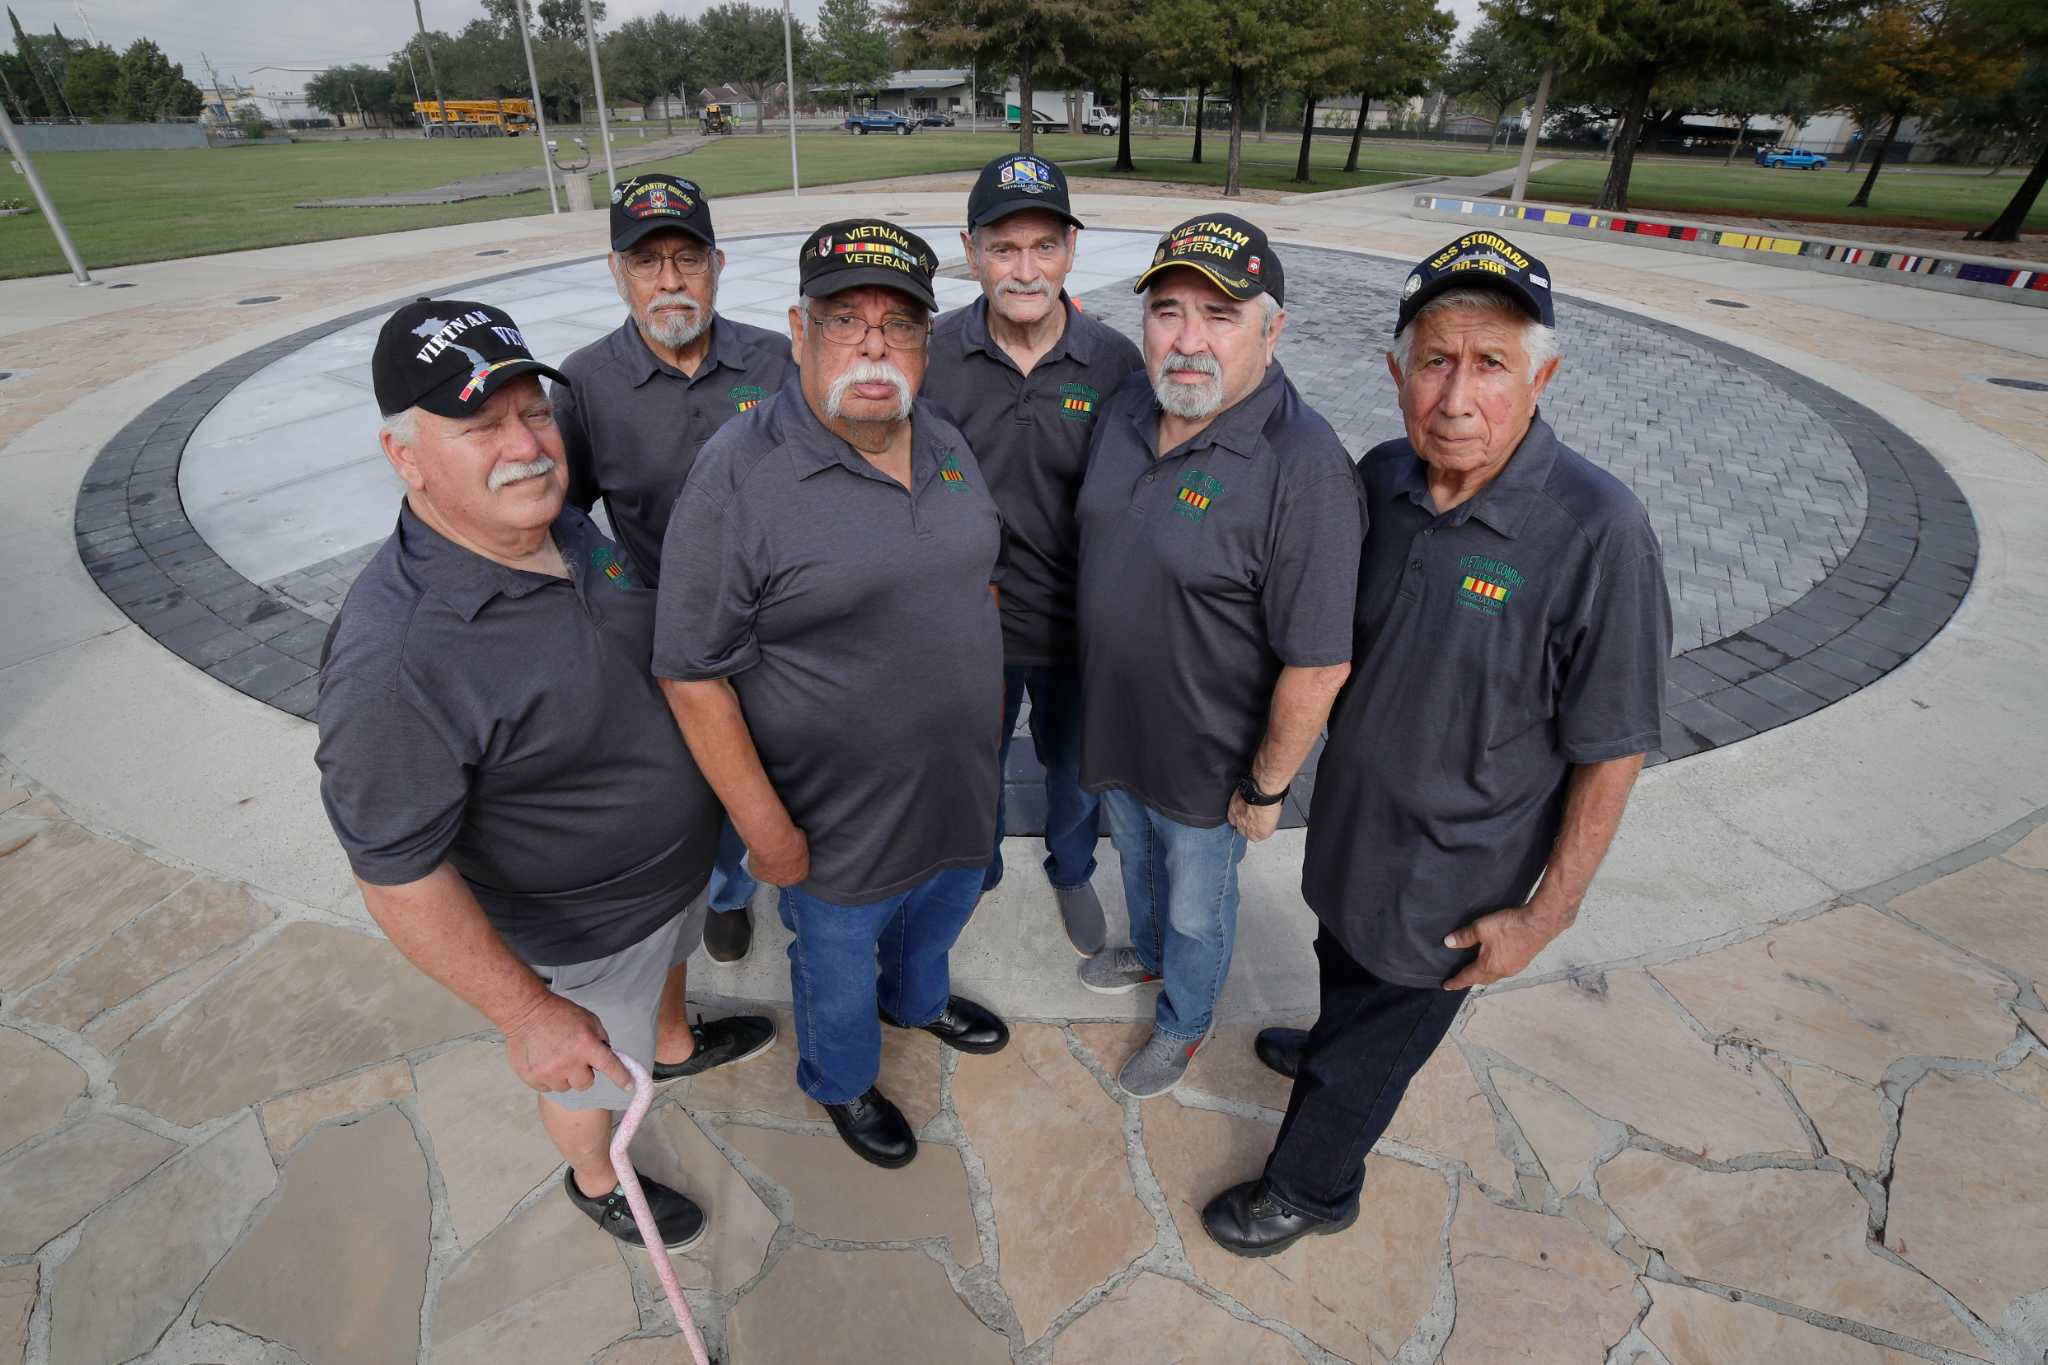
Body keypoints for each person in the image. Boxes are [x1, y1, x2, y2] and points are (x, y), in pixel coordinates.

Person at [1203, 232, 1671, 1256]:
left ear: (1540, 376)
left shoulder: (1597, 530)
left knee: (1371, 1049)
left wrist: (1546, 912)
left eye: (1491, 363)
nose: (1456, 397)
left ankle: (1312, 1186)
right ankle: (1333, 1046)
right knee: (1342, 969)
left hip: (1454, 881)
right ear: (1396, 373)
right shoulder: (1381, 480)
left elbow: (1612, 747)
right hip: (1355, 837)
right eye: (1434, 360)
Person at [316, 298, 775, 1253]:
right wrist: (527, 1012)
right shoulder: (395, 662)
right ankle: (597, 1173)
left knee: (669, 974)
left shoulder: (561, 527)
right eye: (480, 427)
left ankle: (678, 1045)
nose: (525, 445)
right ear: (404, 457)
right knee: (591, 1075)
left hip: (668, 877)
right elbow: (394, 869)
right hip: (580, 933)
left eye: (532, 413)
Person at [655, 221, 1012, 1169]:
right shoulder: (739, 474)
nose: (872, 346)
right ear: (796, 331)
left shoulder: (939, 433)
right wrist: (764, 828)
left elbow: (978, 566)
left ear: (927, 344)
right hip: (834, 817)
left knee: (941, 916)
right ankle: (843, 1078)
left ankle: (921, 1003)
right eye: (844, 320)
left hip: (959, 786)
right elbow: (691, 674)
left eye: (898, 326)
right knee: (838, 963)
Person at [1074, 215, 1363, 1099]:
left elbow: (1318, 662)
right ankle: (1151, 954)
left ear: (1271, 331)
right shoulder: (1131, 403)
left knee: (1200, 906)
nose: (1188, 340)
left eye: (1221, 315)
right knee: (1134, 863)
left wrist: (1269, 787)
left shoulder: (1303, 468)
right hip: (1117, 731)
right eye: (1167, 311)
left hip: (1211, 769)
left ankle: (1187, 1018)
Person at [551, 173, 796, 965]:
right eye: (646, 262)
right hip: (673, 640)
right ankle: (729, 892)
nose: (669, 281)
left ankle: (806, 886)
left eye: (686, 259)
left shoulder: (779, 360)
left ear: (717, 264)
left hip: (783, 626)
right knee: (703, 790)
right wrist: (618, 603)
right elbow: (565, 512)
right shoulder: (586, 381)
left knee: (797, 768)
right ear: (617, 272)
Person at [922, 154, 1144, 957]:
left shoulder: (1117, 362)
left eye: (1043, 246)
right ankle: (972, 868)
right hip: (966, 629)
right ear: (971, 250)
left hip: (1079, 628)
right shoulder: (932, 354)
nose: (1024, 269)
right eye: (1003, 247)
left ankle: (1073, 864)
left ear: (1072, 249)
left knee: (1077, 769)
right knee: (972, 764)